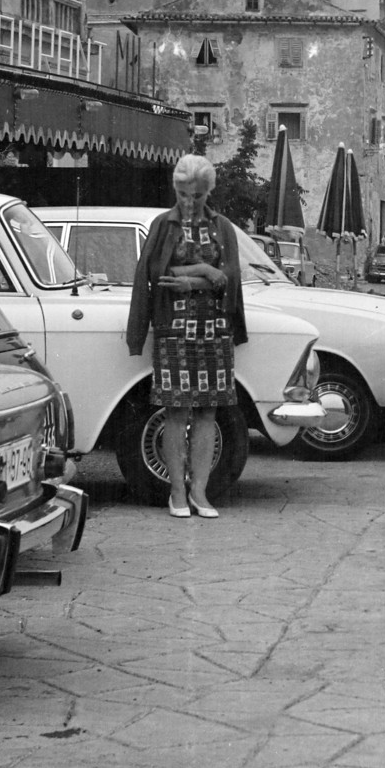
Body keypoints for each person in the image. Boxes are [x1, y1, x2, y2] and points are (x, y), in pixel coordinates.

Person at [125, 154, 248, 519]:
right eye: (182, 194)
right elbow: (154, 275)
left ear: (208, 191)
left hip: (214, 330)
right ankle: (177, 491)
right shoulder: (163, 225)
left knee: (208, 411)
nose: (189, 202)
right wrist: (204, 269)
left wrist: (193, 278)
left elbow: (231, 277)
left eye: (196, 195)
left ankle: (200, 491)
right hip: (173, 331)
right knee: (176, 411)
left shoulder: (222, 226)